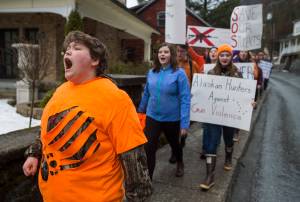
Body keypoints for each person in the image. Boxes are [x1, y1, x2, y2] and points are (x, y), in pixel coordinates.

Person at [22, 31, 152, 202]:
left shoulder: (115, 98)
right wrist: (34, 153)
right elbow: (48, 129)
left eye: (76, 48)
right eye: (67, 49)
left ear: (95, 60)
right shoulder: (61, 90)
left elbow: (134, 160)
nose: (67, 52)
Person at [200, 44, 256, 190]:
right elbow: (204, 92)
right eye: (222, 55)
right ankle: (209, 176)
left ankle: (228, 157)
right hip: (214, 114)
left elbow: (244, 93)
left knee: (228, 138)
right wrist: (197, 95)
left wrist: (250, 102)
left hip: (230, 115)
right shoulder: (211, 73)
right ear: (218, 57)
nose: (224, 57)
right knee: (212, 143)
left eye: (227, 55)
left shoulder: (237, 73)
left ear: (231, 57)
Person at [138, 43, 191, 179]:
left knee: (175, 144)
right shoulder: (151, 72)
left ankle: (180, 162)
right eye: (160, 52)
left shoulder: (179, 74)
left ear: (171, 55)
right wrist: (140, 112)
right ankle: (148, 178)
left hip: (172, 118)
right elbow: (146, 93)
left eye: (166, 52)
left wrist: (184, 124)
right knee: (149, 147)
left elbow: (185, 99)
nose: (162, 54)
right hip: (152, 116)